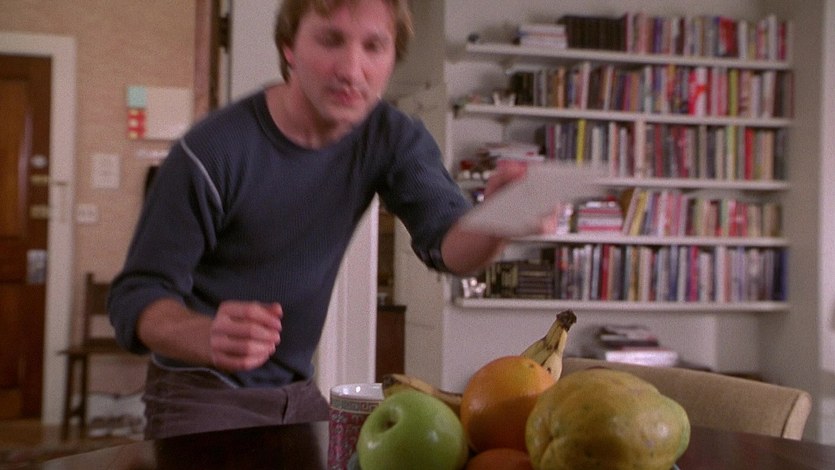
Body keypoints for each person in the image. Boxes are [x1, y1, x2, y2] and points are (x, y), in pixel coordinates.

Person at [108, 0, 535, 440]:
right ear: (289, 48)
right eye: (331, 40)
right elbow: (134, 297)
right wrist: (205, 334)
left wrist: (498, 222)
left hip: (297, 392)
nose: (351, 70)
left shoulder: (391, 136)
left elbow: (446, 242)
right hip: (199, 391)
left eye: (374, 46)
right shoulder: (212, 151)